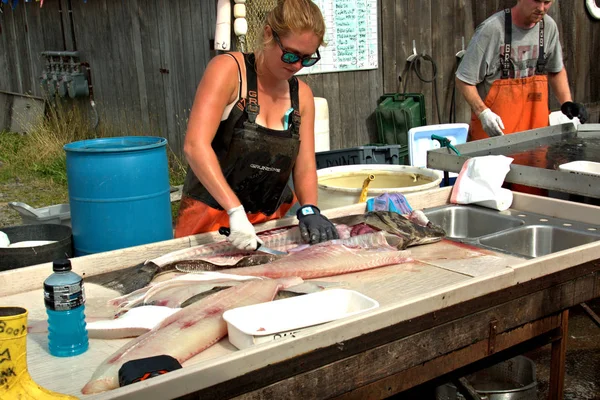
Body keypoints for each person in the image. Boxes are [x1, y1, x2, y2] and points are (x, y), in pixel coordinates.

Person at [174, 0, 338, 250]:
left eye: (306, 59)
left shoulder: (302, 96)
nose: (296, 66)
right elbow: (195, 146)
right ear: (268, 33)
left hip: (270, 226)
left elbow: (304, 166)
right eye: (291, 54)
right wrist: (235, 211)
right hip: (209, 224)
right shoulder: (228, 71)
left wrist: (310, 209)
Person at [456, 0, 588, 141]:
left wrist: (566, 103)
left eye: (547, 2)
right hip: (494, 139)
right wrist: (483, 112)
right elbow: (464, 79)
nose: (541, 8)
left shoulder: (548, 27)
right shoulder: (492, 30)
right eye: (537, 1)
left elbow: (556, 71)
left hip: (536, 139)